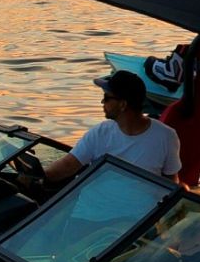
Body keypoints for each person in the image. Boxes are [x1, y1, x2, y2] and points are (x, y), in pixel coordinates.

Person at [41, 68, 183, 185]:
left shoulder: (166, 137)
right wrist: (38, 177)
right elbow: (68, 165)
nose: (102, 101)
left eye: (107, 97)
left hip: (139, 216)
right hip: (93, 212)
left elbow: (171, 181)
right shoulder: (99, 132)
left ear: (123, 105)